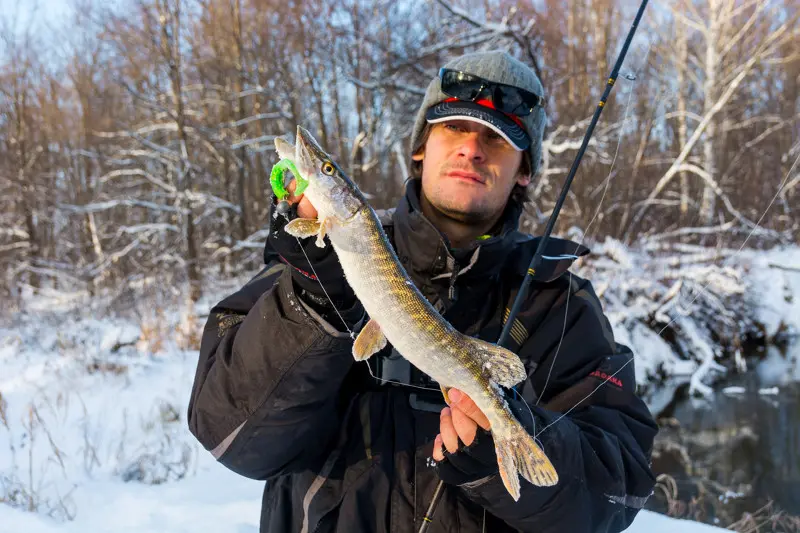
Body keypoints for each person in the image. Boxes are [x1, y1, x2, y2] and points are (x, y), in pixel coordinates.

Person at [188, 50, 658, 533]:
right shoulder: (310, 265)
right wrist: (313, 302)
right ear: (420, 147)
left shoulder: (560, 304)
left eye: (496, 138)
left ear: (524, 170)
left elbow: (617, 490)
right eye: (454, 128)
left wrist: (502, 444)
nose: (471, 149)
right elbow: (227, 435)